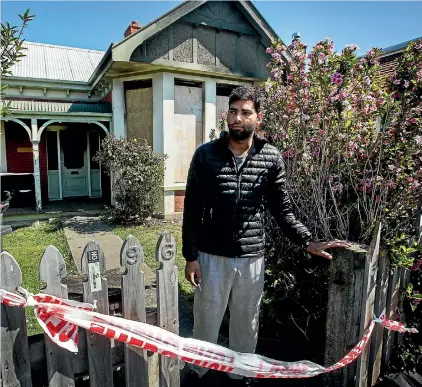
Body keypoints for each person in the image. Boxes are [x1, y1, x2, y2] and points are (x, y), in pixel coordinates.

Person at [182, 85, 349, 382]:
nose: (237, 118)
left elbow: (281, 210)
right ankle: (198, 373)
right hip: (211, 256)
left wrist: (306, 240)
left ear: (258, 118)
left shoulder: (270, 158)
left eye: (245, 112)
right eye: (233, 111)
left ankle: (241, 376)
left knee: (246, 325)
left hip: (251, 259)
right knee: (206, 323)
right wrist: (191, 256)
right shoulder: (206, 156)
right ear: (227, 116)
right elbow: (192, 209)